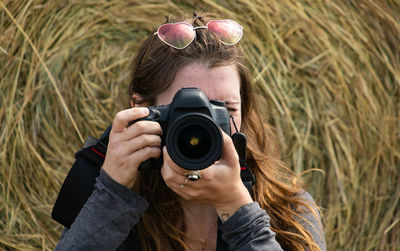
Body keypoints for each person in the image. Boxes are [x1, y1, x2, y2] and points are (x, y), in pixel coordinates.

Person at [55, 13, 326, 251]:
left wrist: (238, 210)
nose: (203, 126)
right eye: (186, 110)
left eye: (224, 108)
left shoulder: (290, 213)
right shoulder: (113, 210)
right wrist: (111, 193)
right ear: (141, 109)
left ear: (244, 106)